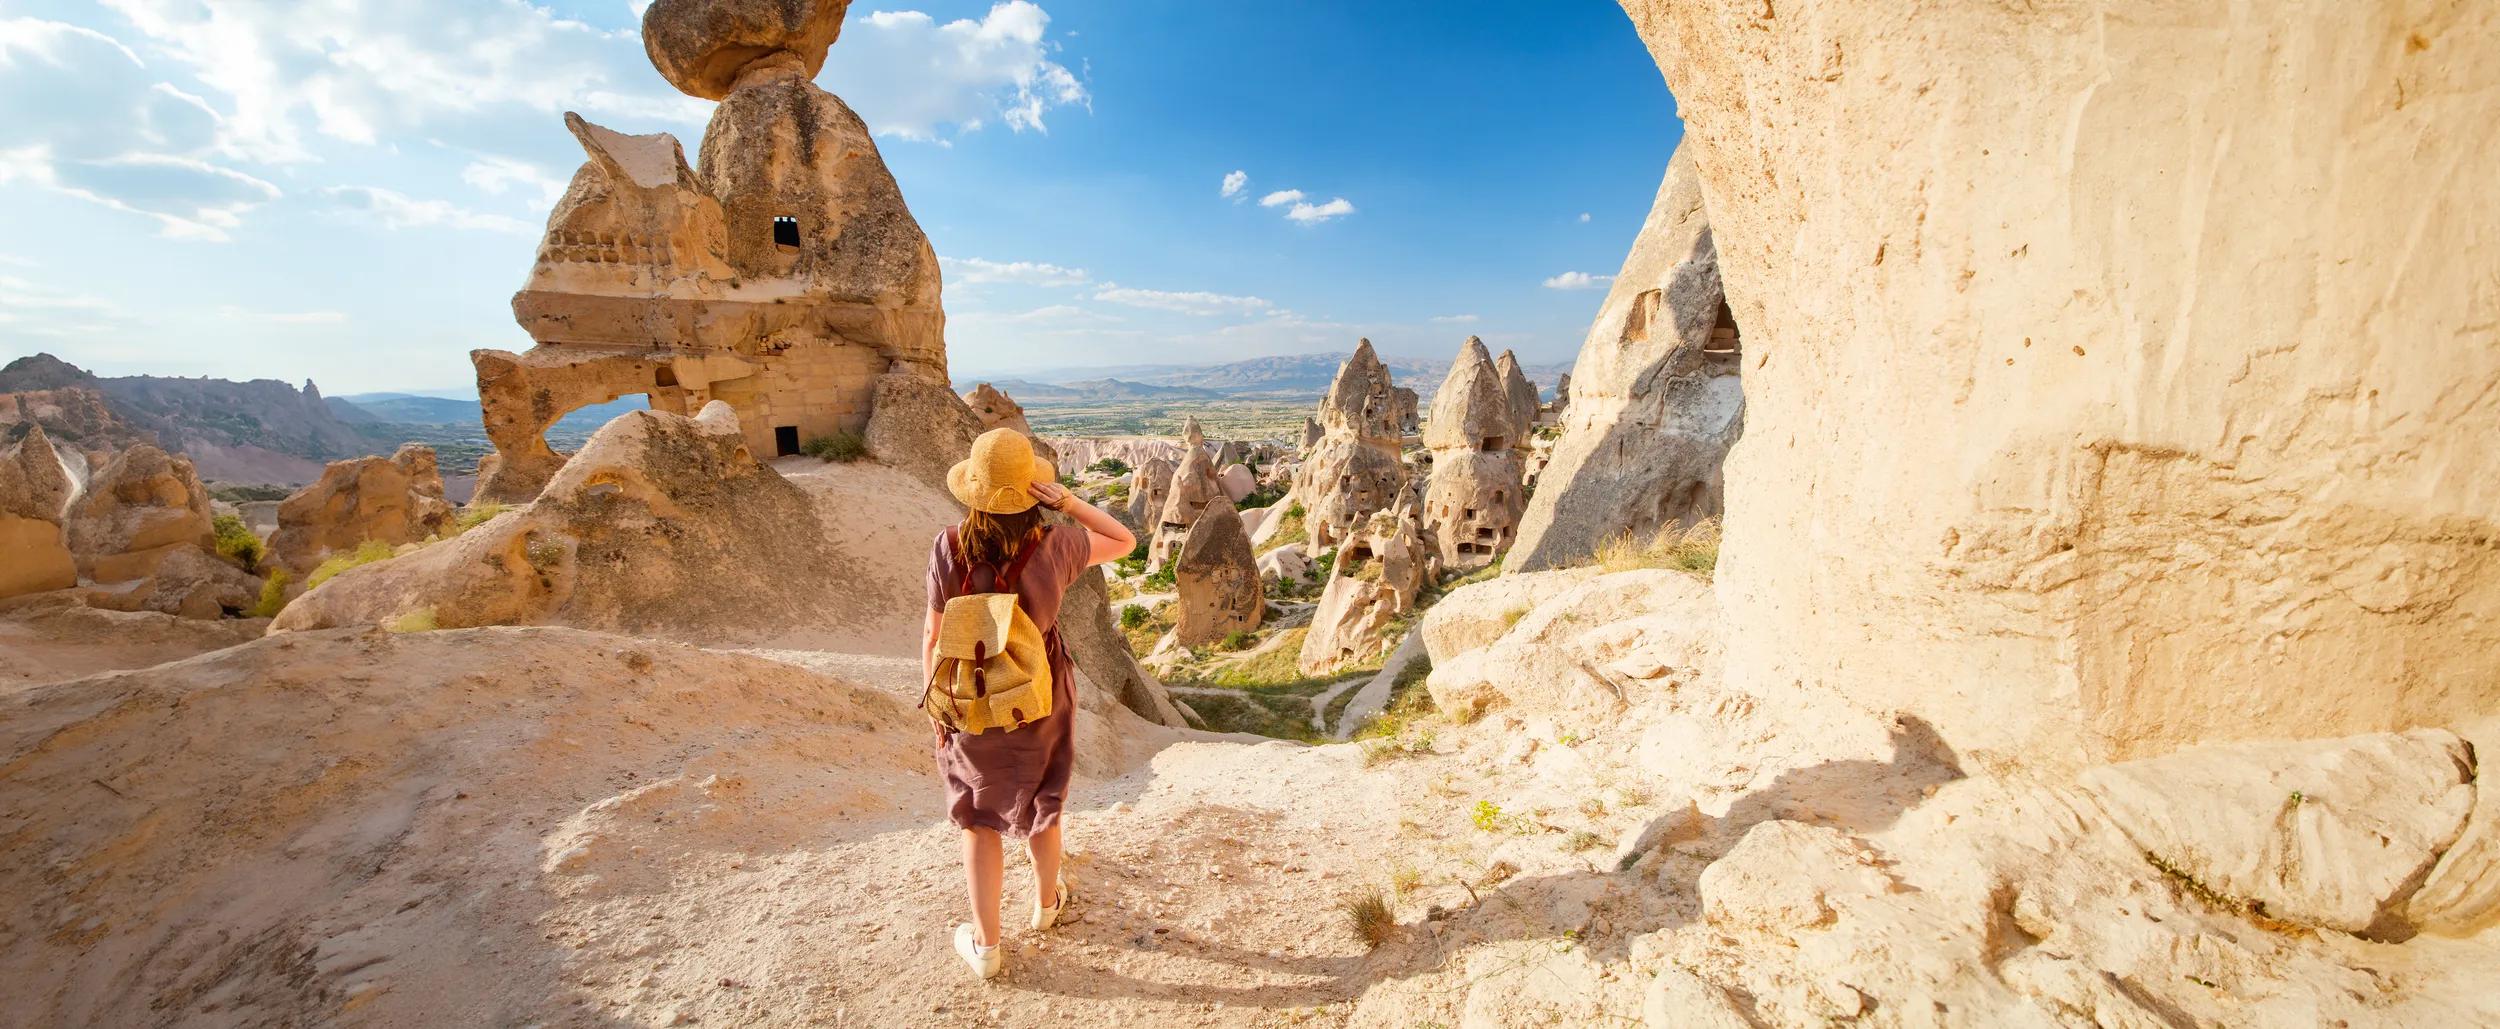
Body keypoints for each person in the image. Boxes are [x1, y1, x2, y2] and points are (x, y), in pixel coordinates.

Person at [925, 428, 1135, 979]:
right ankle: (1046, 906)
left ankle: (988, 948)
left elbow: (932, 635)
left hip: (971, 698)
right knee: (1044, 798)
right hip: (1039, 696)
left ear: (972, 490)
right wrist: (1065, 501)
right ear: (1031, 491)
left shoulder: (948, 547)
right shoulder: (1059, 544)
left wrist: (938, 708)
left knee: (978, 817)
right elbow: (1124, 541)